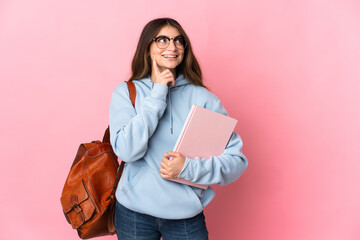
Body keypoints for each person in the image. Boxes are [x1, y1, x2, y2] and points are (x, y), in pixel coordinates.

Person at [109, 17, 248, 240]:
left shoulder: (204, 99)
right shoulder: (127, 93)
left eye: (178, 40)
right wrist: (157, 94)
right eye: (162, 40)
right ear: (147, 47)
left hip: (185, 217)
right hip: (134, 215)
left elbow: (235, 162)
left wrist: (187, 169)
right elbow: (127, 151)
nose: (172, 47)